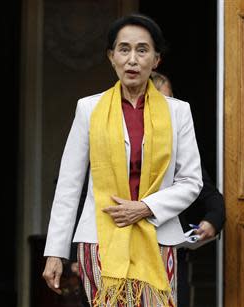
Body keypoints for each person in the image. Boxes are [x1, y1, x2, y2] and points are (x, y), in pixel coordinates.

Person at [42, 14, 203, 307]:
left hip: (157, 238)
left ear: (155, 60)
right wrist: (55, 251)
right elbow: (69, 184)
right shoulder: (88, 109)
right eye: (124, 49)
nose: (132, 59)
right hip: (99, 241)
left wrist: (145, 208)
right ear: (111, 57)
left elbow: (191, 182)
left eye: (142, 50)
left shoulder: (178, 112)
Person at [150, 71, 225, 306]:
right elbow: (85, 197)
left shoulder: (180, 148)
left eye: (172, 101)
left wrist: (212, 220)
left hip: (171, 257)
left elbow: (210, 195)